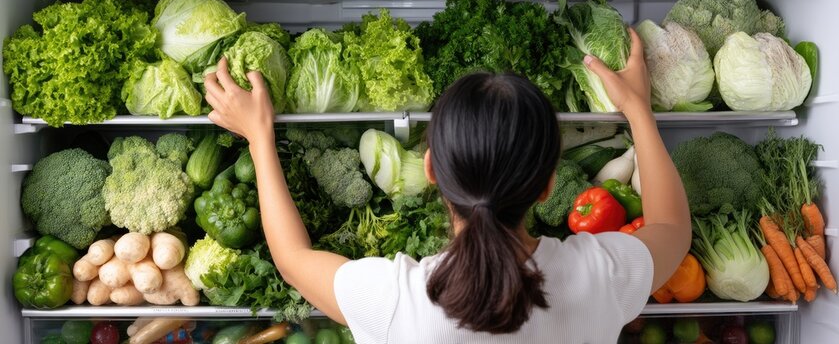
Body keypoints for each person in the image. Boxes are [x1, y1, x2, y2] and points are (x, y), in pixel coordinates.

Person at [203, 27, 691, 343]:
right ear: (547, 185)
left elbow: (293, 260)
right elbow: (672, 226)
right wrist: (637, 110)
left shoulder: (395, 300)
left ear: (431, 169)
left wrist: (259, 138)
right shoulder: (600, 277)